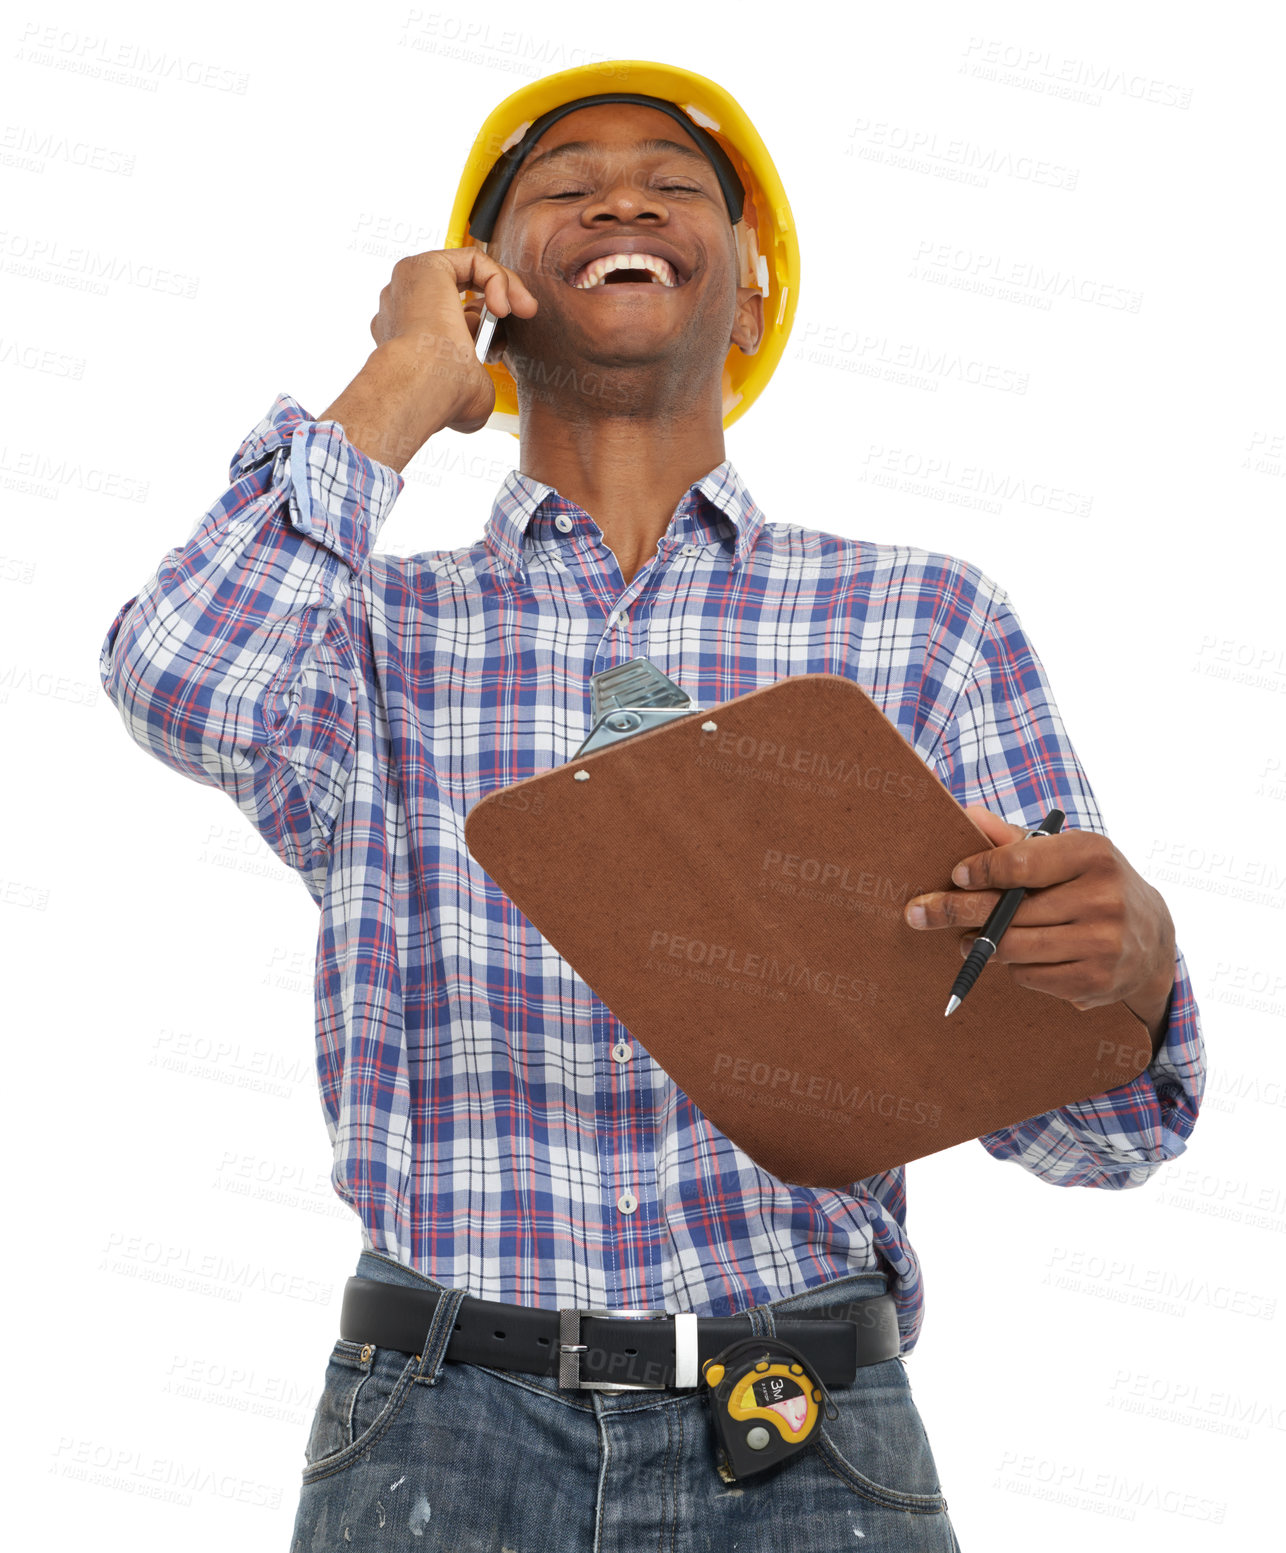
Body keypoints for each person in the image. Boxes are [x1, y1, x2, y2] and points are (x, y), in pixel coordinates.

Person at [99, 60, 1204, 1552]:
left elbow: (1096, 1141)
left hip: (808, 1443)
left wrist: (1126, 973)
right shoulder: (369, 632)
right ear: (486, 289)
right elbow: (178, 682)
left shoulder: (919, 623)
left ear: (750, 288)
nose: (619, 197)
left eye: (673, 185)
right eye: (560, 186)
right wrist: (397, 392)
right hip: (437, 1429)